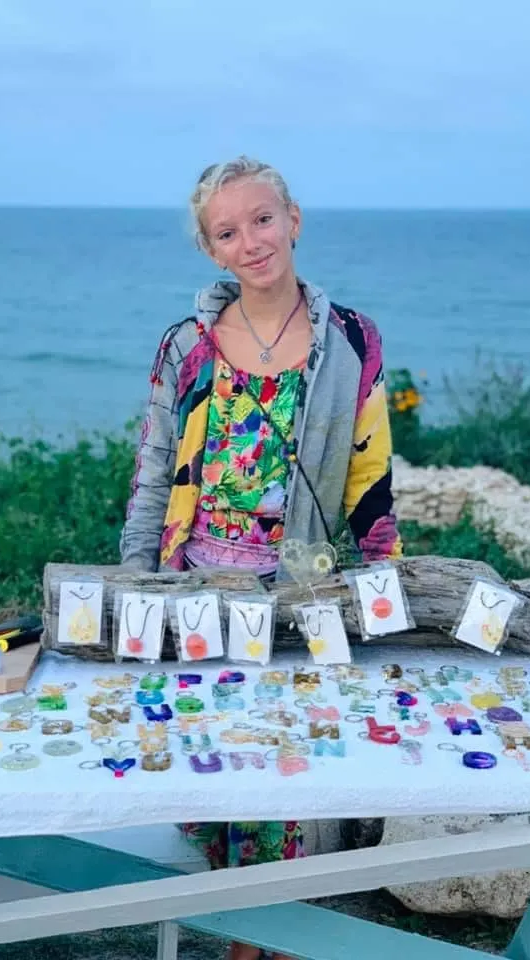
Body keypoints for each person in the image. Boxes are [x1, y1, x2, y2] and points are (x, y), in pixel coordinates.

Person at [120, 155, 401, 960]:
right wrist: (135, 585)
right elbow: (154, 471)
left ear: (294, 219)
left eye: (263, 219)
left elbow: (370, 479)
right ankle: (258, 940)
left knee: (283, 764)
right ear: (211, 249)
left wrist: (385, 590)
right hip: (197, 591)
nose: (251, 241)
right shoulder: (186, 346)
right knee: (220, 765)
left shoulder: (351, 340)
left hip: (296, 593)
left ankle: (259, 944)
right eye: (227, 232)